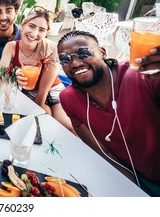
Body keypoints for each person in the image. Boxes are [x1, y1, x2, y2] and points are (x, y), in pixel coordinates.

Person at [57, 30, 160, 196]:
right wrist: (134, 190)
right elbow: (103, 153)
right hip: (131, 181)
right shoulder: (68, 99)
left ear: (102, 52)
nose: (75, 63)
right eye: (65, 59)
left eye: (83, 53)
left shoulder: (143, 75)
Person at [0, 6, 74, 134]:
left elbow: (44, 90)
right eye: (31, 26)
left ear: (46, 33)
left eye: (41, 30)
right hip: (29, 92)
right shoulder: (11, 46)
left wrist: (39, 106)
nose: (34, 34)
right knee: (44, 122)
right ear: (23, 24)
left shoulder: (50, 48)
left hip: (52, 90)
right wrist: (13, 74)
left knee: (66, 125)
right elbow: (1, 72)